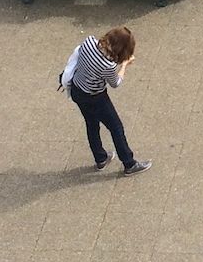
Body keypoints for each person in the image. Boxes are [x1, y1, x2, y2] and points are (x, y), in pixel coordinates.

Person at [60, 26, 147, 174]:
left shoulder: (88, 42)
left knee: (91, 123)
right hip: (96, 98)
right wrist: (124, 65)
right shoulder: (108, 65)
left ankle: (100, 158)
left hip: (77, 90)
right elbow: (115, 83)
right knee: (116, 127)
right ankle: (129, 163)